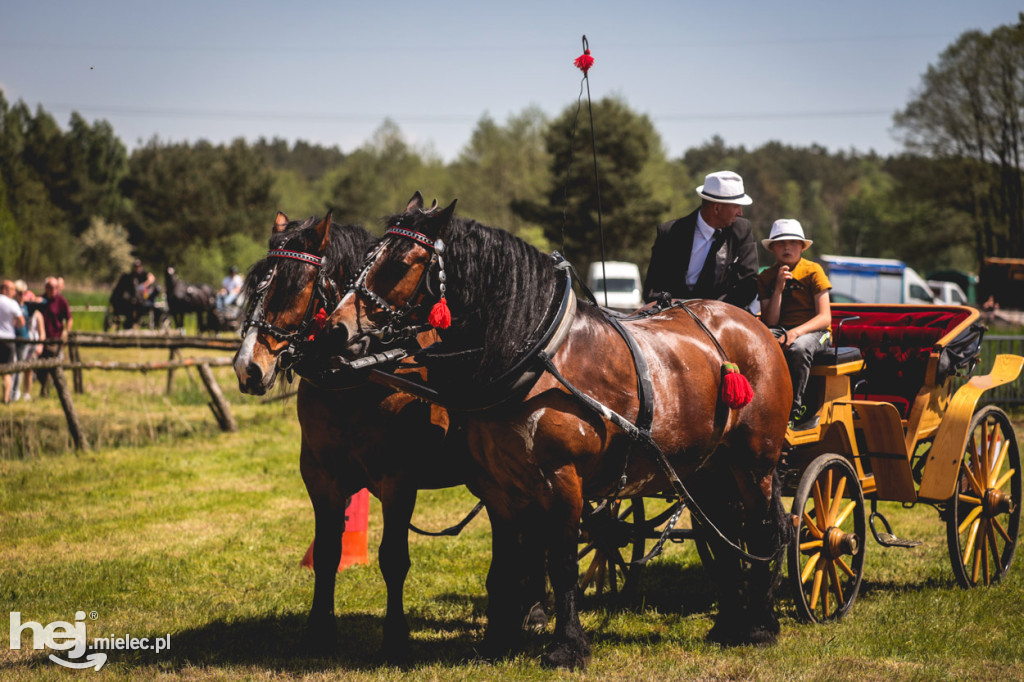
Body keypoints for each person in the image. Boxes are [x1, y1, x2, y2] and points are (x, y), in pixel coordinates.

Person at [642, 170, 759, 309]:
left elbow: (749, 284)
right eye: (736, 206)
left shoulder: (742, 230)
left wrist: (714, 311)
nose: (740, 212)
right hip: (674, 317)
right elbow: (652, 289)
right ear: (716, 208)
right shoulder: (669, 233)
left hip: (721, 318)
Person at [756, 219, 832, 430]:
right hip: (781, 328)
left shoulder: (813, 271)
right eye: (781, 243)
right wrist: (778, 288)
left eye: (793, 242)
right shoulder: (766, 277)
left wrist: (796, 332)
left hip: (816, 331)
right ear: (772, 248)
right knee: (759, 342)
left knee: (798, 348)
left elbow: (825, 317)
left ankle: (793, 411)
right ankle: (761, 405)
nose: (787, 247)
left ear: (802, 246)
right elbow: (771, 321)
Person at [38, 276, 72, 396]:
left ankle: (54, 391)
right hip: (41, 339)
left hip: (55, 338)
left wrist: (66, 332)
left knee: (54, 366)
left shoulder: (61, 301)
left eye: (55, 287)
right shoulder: (41, 300)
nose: (53, 290)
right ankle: (44, 387)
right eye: (50, 287)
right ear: (46, 288)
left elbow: (69, 319)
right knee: (40, 366)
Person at [0, 279, 26, 403]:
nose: (14, 293)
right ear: (5, 290)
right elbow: (22, 322)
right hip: (7, 339)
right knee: (8, 370)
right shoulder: (12, 303)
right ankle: (5, 399)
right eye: (12, 290)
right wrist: (12, 323)